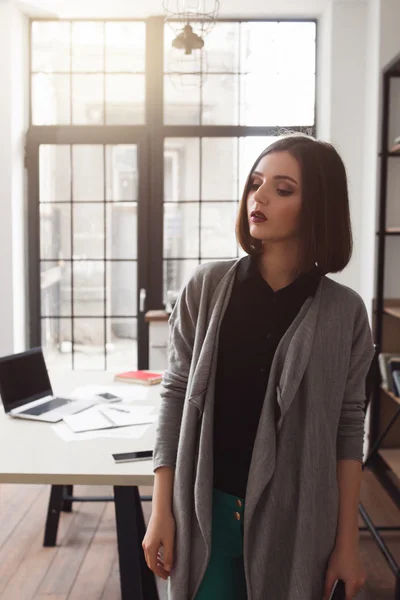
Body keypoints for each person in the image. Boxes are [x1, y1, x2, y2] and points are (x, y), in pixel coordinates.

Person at [142, 134, 375, 600]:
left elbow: (348, 429)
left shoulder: (344, 313)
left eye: (283, 189)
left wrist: (348, 543)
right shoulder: (206, 288)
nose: (260, 197)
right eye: (255, 183)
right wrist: (160, 508)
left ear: (319, 205)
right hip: (203, 511)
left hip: (299, 523)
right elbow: (176, 393)